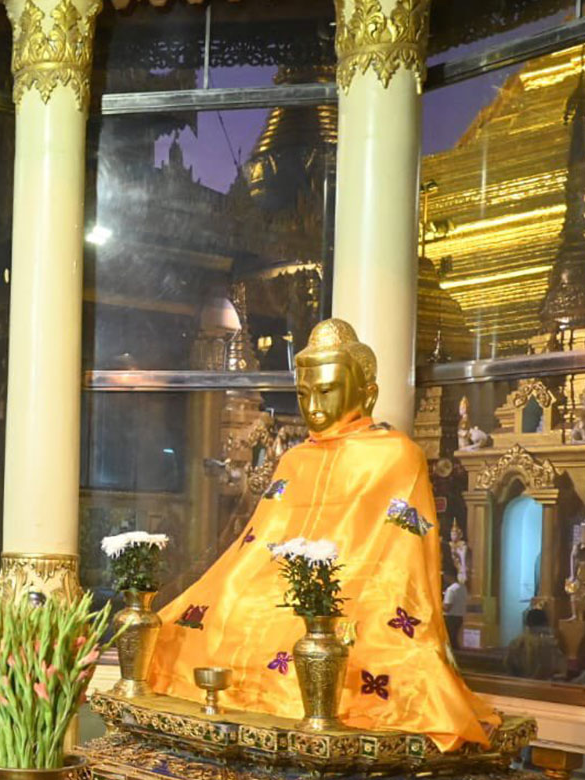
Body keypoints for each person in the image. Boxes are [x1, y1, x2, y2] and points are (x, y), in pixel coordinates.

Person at [147, 318, 498, 750]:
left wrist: (334, 591)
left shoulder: (396, 455)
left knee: (361, 643)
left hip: (359, 590)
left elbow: (401, 557)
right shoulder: (296, 459)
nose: (313, 407)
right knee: (205, 617)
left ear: (367, 393)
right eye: (304, 394)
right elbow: (257, 544)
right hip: (281, 584)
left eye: (327, 390)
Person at [505, 607, 567, 681]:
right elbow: (560, 671)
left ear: (527, 623)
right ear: (546, 622)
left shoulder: (515, 642)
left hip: (519, 685)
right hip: (544, 685)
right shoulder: (551, 643)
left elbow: (509, 669)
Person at [442, 568, 467, 650]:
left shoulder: (451, 589)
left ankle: (454, 654)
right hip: (459, 617)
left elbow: (447, 607)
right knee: (454, 638)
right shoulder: (463, 588)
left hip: (450, 618)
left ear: (450, 576)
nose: (444, 578)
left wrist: (439, 603)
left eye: (445, 576)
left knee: (450, 639)